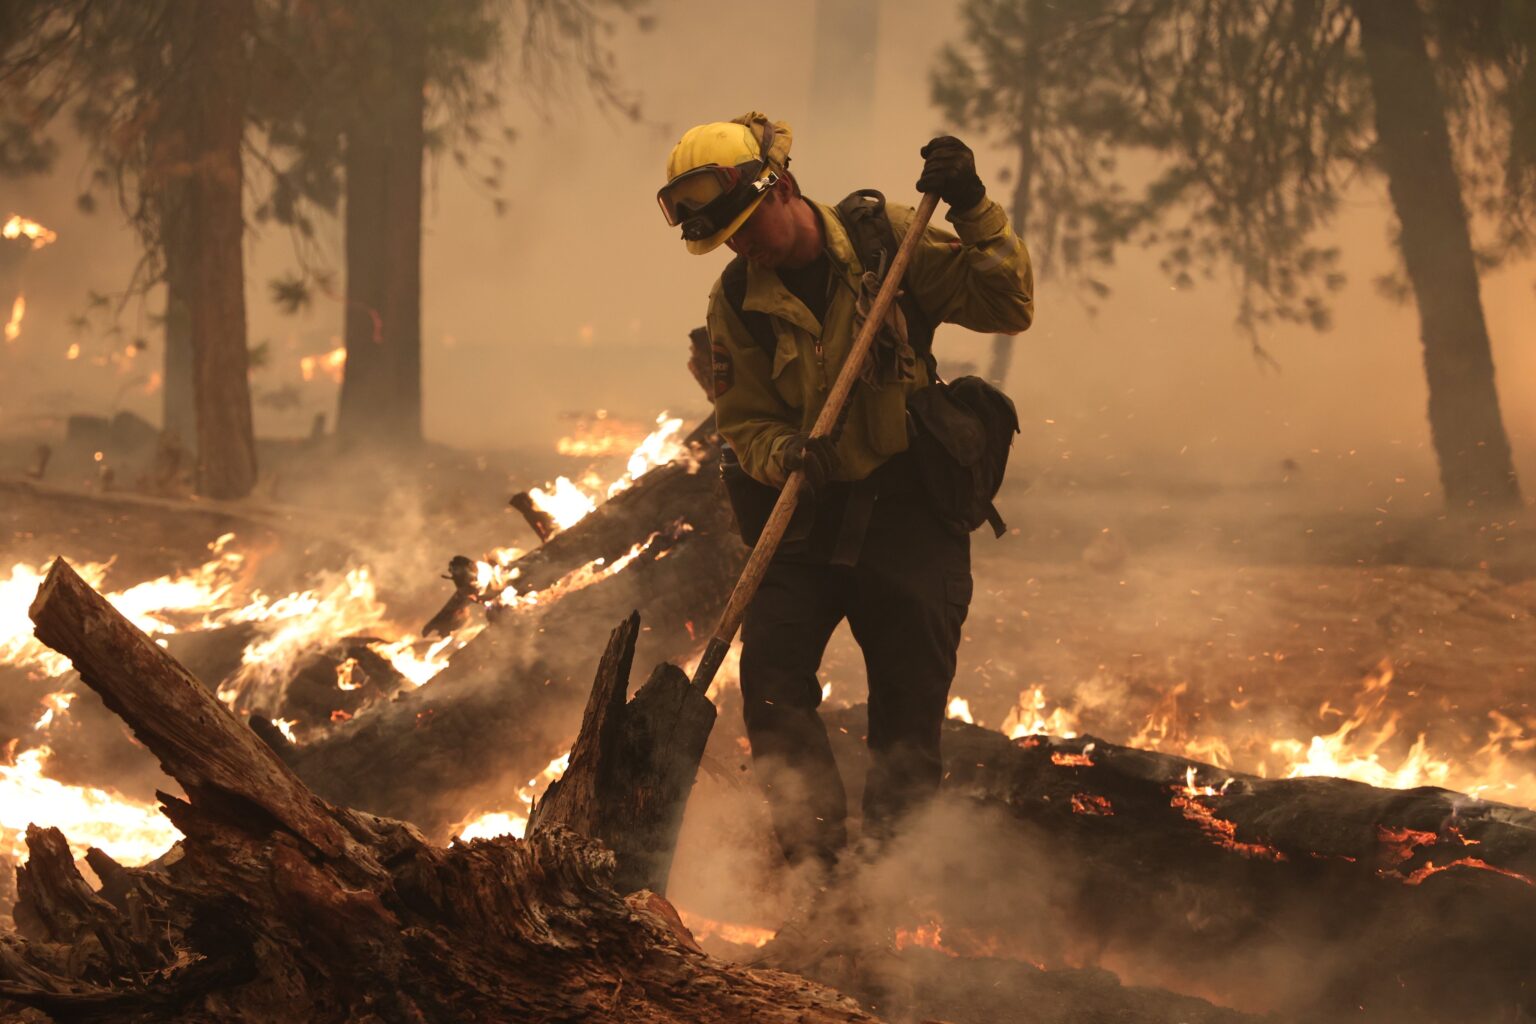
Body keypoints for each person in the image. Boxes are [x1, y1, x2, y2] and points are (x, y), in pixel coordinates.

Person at [658, 112, 1033, 874]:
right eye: (725, 236)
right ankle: (816, 877)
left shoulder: (886, 241)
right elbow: (746, 420)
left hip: (909, 508)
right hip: (806, 511)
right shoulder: (736, 301)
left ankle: (887, 902)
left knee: (908, 711)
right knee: (769, 682)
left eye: (745, 223)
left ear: (783, 187)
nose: (742, 244)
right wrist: (783, 454)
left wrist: (972, 206)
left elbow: (1008, 308)